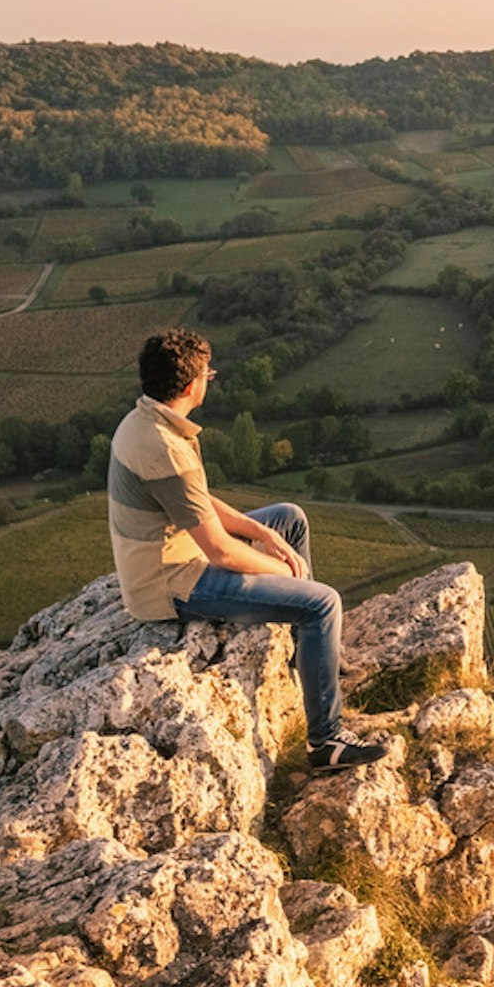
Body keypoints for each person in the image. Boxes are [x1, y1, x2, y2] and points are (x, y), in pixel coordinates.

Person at [108, 327, 384, 771]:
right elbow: (219, 550)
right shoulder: (164, 447)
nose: (209, 381)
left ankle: (312, 661)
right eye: (208, 374)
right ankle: (325, 742)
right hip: (172, 584)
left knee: (288, 519)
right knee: (323, 603)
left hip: (177, 557)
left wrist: (267, 534)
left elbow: (194, 500)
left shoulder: (145, 422)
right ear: (192, 384)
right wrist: (282, 570)